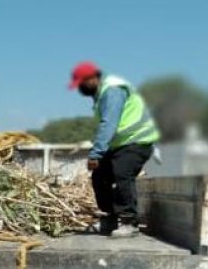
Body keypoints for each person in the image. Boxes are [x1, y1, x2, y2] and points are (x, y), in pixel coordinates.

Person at [69, 61, 162, 238]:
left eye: (82, 83)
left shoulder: (112, 91)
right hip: (121, 144)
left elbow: (109, 123)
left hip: (137, 140)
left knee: (122, 173)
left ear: (93, 78)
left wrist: (96, 153)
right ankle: (109, 218)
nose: (80, 88)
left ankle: (129, 222)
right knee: (100, 177)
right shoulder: (101, 95)